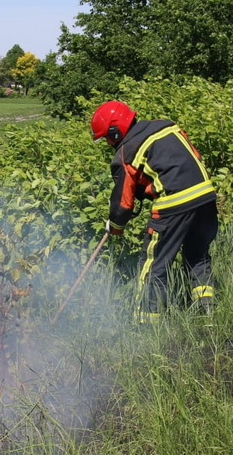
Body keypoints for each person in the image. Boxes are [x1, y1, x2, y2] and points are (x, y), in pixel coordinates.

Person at [90, 100, 218, 323]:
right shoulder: (167, 126)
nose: (108, 143)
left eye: (107, 138)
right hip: (206, 197)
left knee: (154, 264)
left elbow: (123, 204)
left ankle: (146, 323)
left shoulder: (126, 153)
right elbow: (191, 158)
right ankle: (208, 312)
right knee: (197, 255)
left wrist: (115, 225)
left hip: (173, 205)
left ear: (115, 131)